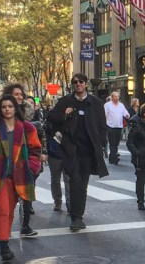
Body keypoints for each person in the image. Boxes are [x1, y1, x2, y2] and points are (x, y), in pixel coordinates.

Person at [0, 95, 42, 263]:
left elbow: (35, 149)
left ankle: (5, 239)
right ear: (0, 110)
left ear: (15, 108)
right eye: (4, 107)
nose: (7, 109)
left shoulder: (26, 128)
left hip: (20, 176)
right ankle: (4, 246)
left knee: (11, 212)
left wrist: (32, 167)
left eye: (10, 106)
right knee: (3, 211)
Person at [47, 73, 109, 232]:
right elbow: (51, 118)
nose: (78, 84)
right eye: (75, 82)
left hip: (88, 150)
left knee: (82, 184)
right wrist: (64, 114)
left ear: (86, 84)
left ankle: (78, 216)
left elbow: (102, 125)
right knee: (74, 181)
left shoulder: (95, 103)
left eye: (81, 82)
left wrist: (102, 144)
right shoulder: (65, 101)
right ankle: (76, 217)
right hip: (71, 149)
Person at [5, 83, 44, 238]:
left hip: (27, 156)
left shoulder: (30, 109)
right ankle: (5, 227)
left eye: (21, 94)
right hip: (9, 158)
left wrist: (36, 161)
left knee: (27, 192)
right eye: (16, 94)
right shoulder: (4, 110)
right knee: (8, 198)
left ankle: (25, 225)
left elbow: (40, 132)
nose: (19, 97)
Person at [46, 118, 69, 213]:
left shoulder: (70, 119)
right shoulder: (50, 121)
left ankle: (69, 203)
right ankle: (57, 201)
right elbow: (46, 135)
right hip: (54, 154)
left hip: (67, 154)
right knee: (55, 179)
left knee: (67, 179)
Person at [104, 91, 130, 164]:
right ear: (112, 97)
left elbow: (125, 112)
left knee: (116, 142)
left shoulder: (121, 105)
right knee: (112, 143)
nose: (117, 98)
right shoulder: (107, 105)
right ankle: (114, 157)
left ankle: (112, 157)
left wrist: (127, 115)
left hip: (119, 126)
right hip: (110, 126)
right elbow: (104, 114)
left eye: (118, 96)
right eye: (115, 96)